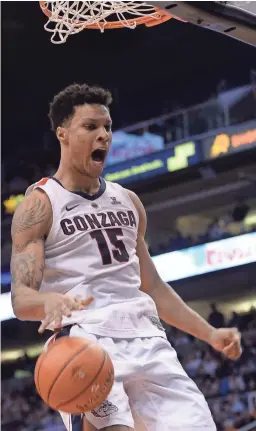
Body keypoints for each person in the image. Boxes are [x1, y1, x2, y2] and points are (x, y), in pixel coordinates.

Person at [11, 83, 242, 431]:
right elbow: (20, 298)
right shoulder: (41, 204)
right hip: (86, 337)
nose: (103, 135)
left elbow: (152, 286)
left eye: (107, 127)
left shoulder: (128, 200)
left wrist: (210, 334)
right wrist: (48, 301)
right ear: (63, 134)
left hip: (148, 339)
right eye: (90, 127)